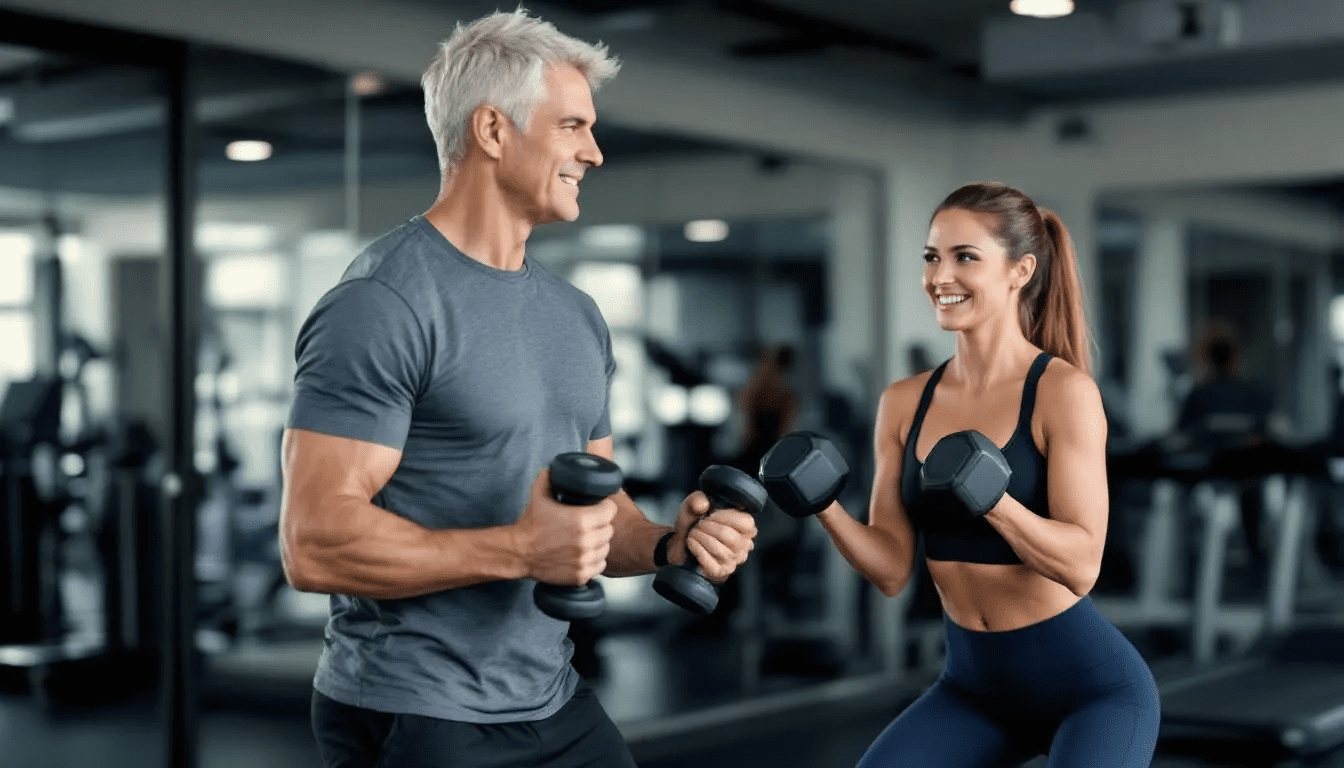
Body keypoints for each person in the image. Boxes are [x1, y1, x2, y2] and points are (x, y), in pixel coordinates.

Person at [278, 9, 758, 768]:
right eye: (572, 126)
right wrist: (520, 549)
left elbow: (599, 518)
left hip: (552, 699)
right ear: (494, 131)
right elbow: (314, 543)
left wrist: (672, 543)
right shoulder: (384, 301)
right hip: (415, 711)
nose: (594, 153)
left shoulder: (576, 316)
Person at [812, 181, 1160, 766]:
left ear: (1020, 270)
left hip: (1092, 692)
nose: (939, 277)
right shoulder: (903, 402)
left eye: (964, 257)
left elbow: (1082, 566)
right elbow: (893, 570)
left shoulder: (1062, 392)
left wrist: (994, 501)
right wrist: (824, 507)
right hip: (973, 689)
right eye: (932, 257)